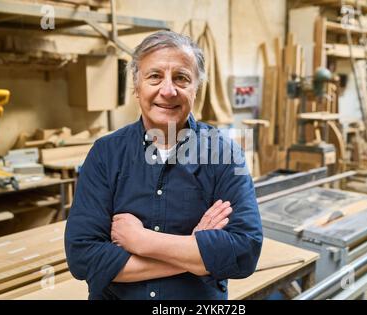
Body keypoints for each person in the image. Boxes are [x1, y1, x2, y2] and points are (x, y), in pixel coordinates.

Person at [64, 30, 263, 300]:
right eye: (154, 76)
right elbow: (83, 257)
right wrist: (194, 253)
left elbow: (244, 252)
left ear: (196, 88)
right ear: (137, 87)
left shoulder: (226, 154)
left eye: (181, 78)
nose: (168, 91)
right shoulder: (105, 154)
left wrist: (142, 241)